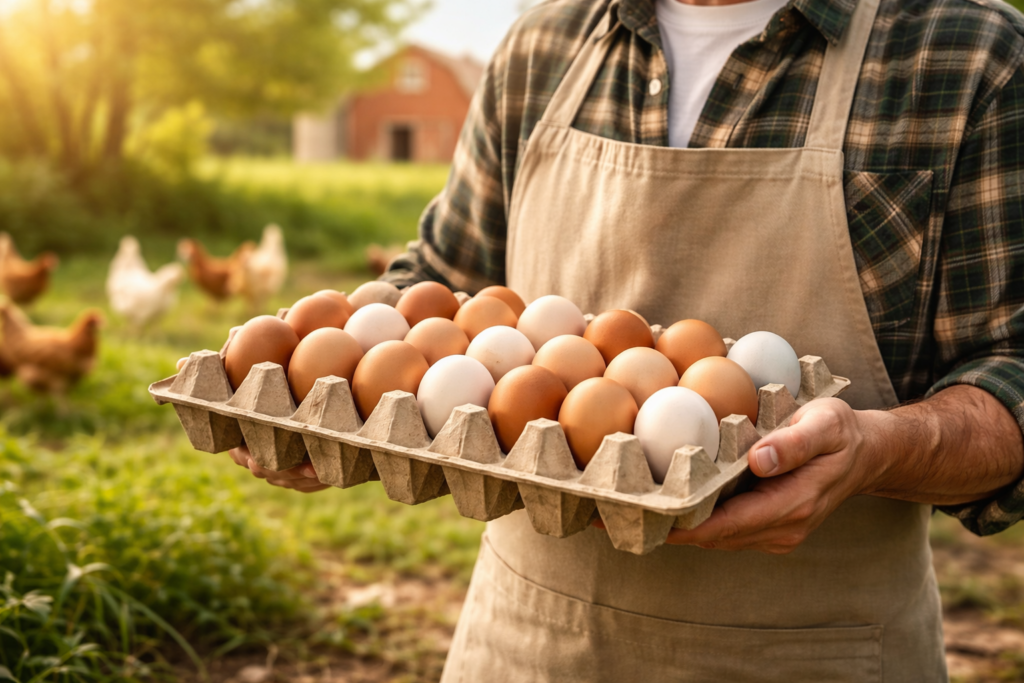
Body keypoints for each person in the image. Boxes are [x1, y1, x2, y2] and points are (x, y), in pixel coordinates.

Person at [229, 0, 1024, 679]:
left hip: (817, 650)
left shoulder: (964, 56)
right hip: (526, 644)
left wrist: (880, 447)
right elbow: (443, 292)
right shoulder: (547, 42)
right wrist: (325, 387)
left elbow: (1012, 371)